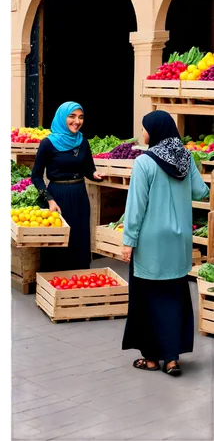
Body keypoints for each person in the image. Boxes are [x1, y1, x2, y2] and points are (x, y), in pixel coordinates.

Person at [121, 110, 210, 377]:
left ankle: (150, 359)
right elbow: (201, 192)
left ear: (155, 131)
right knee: (174, 297)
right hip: (179, 239)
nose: (143, 133)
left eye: (145, 128)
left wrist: (128, 241)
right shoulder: (185, 157)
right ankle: (172, 359)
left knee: (147, 298)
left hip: (150, 241)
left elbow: (135, 208)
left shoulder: (144, 162)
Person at [31, 101, 104, 272]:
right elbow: (36, 176)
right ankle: (53, 285)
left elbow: (88, 168)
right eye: (72, 116)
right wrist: (49, 200)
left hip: (79, 195)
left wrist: (94, 174)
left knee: (79, 238)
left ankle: (78, 283)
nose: (77, 121)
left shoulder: (83, 141)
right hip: (57, 197)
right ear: (62, 118)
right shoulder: (47, 143)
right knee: (58, 240)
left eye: (80, 117)